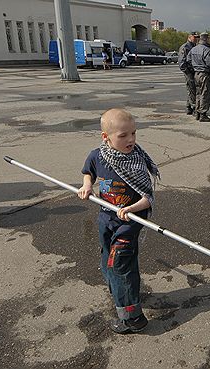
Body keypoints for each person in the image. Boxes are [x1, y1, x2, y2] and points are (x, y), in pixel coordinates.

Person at [77, 108, 159, 334]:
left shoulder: (137, 159)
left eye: (133, 133)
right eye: (123, 136)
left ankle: (132, 318)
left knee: (120, 265)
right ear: (106, 137)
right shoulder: (98, 155)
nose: (131, 139)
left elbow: (148, 198)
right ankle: (125, 294)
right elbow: (88, 172)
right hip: (106, 219)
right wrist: (86, 186)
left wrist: (131, 208)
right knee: (107, 262)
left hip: (128, 224)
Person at [188, 32, 210, 122]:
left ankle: (197, 112)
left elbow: (188, 60)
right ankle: (203, 114)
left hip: (196, 73)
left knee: (198, 93)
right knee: (205, 93)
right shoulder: (206, 50)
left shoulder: (193, 49)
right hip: (204, 74)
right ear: (206, 39)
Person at [178, 32, 200, 115]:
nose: (196, 39)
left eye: (197, 37)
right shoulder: (185, 47)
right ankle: (194, 108)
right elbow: (182, 62)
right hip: (189, 72)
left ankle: (189, 107)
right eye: (195, 37)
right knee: (192, 89)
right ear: (189, 37)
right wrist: (187, 72)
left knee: (191, 89)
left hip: (193, 71)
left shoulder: (194, 46)